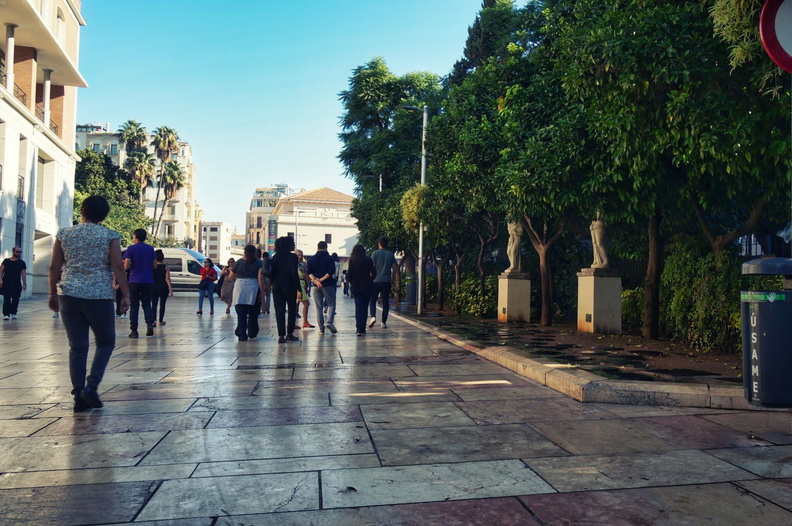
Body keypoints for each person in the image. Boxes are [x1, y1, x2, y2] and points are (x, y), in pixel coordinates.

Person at [48, 195, 130, 412]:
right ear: (103, 215)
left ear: (82, 210)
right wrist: (126, 295)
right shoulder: (109, 236)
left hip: (70, 293)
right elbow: (117, 267)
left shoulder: (64, 234)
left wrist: (52, 294)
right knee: (105, 342)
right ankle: (91, 386)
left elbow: (54, 267)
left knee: (77, 346)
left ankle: (78, 395)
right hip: (99, 295)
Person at [124, 229, 156, 338]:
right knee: (147, 304)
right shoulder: (150, 249)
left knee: (134, 306)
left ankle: (134, 330)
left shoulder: (131, 249)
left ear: (135, 236)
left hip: (134, 280)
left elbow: (126, 266)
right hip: (147, 280)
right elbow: (154, 265)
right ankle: (149, 324)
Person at [230, 245, 265, 341]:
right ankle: (252, 331)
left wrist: (236, 282)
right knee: (253, 313)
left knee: (241, 312)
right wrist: (262, 293)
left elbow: (231, 276)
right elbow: (260, 279)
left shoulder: (238, 262)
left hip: (240, 286)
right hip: (253, 286)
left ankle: (241, 333)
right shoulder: (259, 263)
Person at [269, 236, 301, 343]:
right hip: (289, 285)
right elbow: (293, 273)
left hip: (277, 285)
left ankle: (281, 335)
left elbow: (271, 272)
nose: (294, 245)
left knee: (279, 310)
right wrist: (299, 288)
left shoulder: (275, 256)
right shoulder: (293, 257)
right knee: (292, 309)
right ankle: (289, 334)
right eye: (292, 243)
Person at [307, 240, 338, 334]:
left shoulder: (311, 259)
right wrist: (321, 280)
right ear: (326, 248)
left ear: (317, 248)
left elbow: (309, 272)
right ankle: (329, 322)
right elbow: (331, 271)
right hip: (328, 284)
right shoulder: (329, 258)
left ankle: (321, 329)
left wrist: (316, 281)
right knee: (331, 304)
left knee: (318, 307)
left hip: (315, 286)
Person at [369, 236, 399, 329]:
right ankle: (383, 322)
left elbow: (371, 267)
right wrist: (392, 278)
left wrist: (370, 277)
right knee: (385, 302)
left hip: (375, 281)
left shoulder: (375, 253)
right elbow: (395, 268)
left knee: (372, 300)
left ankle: (373, 316)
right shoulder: (390, 254)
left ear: (379, 244)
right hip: (386, 281)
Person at [346, 244, 375, 336]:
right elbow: (374, 273)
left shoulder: (352, 261)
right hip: (367, 286)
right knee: (365, 307)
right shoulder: (368, 260)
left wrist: (351, 281)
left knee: (358, 307)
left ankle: (358, 328)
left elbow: (349, 274)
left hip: (356, 286)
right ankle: (363, 327)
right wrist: (371, 279)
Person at [1, 246, 27, 320]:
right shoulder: (6, 261)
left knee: (16, 298)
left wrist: (24, 283)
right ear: (13, 252)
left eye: (20, 252)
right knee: (7, 298)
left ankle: (14, 312)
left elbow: (23, 273)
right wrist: (0, 280)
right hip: (6, 282)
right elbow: (1, 271)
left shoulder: (21, 263)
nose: (18, 253)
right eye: (17, 252)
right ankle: (6, 314)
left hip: (16, 283)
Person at [151, 249, 173, 326]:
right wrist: (170, 289)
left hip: (153, 287)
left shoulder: (152, 266)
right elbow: (167, 279)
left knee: (154, 304)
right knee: (162, 304)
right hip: (163, 287)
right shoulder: (165, 267)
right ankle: (160, 320)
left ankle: (153, 321)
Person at [294, 249, 313, 328]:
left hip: (303, 284)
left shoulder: (304, 264)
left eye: (301, 255)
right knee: (306, 303)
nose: (300, 257)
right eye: (298, 255)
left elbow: (307, 274)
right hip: (297, 285)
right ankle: (304, 322)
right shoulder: (293, 265)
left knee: (296, 305)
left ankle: (298, 322)